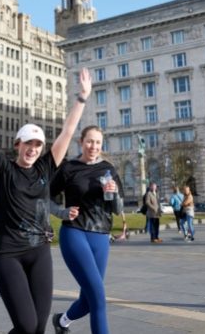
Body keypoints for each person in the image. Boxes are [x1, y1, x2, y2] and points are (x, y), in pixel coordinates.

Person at [0, 67, 92, 334]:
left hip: (39, 253)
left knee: (37, 329)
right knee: (26, 325)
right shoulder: (3, 169)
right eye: (28, 143)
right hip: (8, 255)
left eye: (38, 145)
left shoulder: (45, 168)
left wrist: (82, 97)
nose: (33, 149)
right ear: (17, 144)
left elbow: (67, 132)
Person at [50, 125, 124, 334]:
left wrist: (113, 193)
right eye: (89, 141)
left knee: (88, 298)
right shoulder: (69, 168)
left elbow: (117, 209)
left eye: (98, 142)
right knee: (98, 297)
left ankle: (61, 321)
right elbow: (44, 196)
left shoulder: (109, 169)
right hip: (74, 233)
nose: (93, 146)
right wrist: (61, 212)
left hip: (101, 236)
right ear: (81, 142)